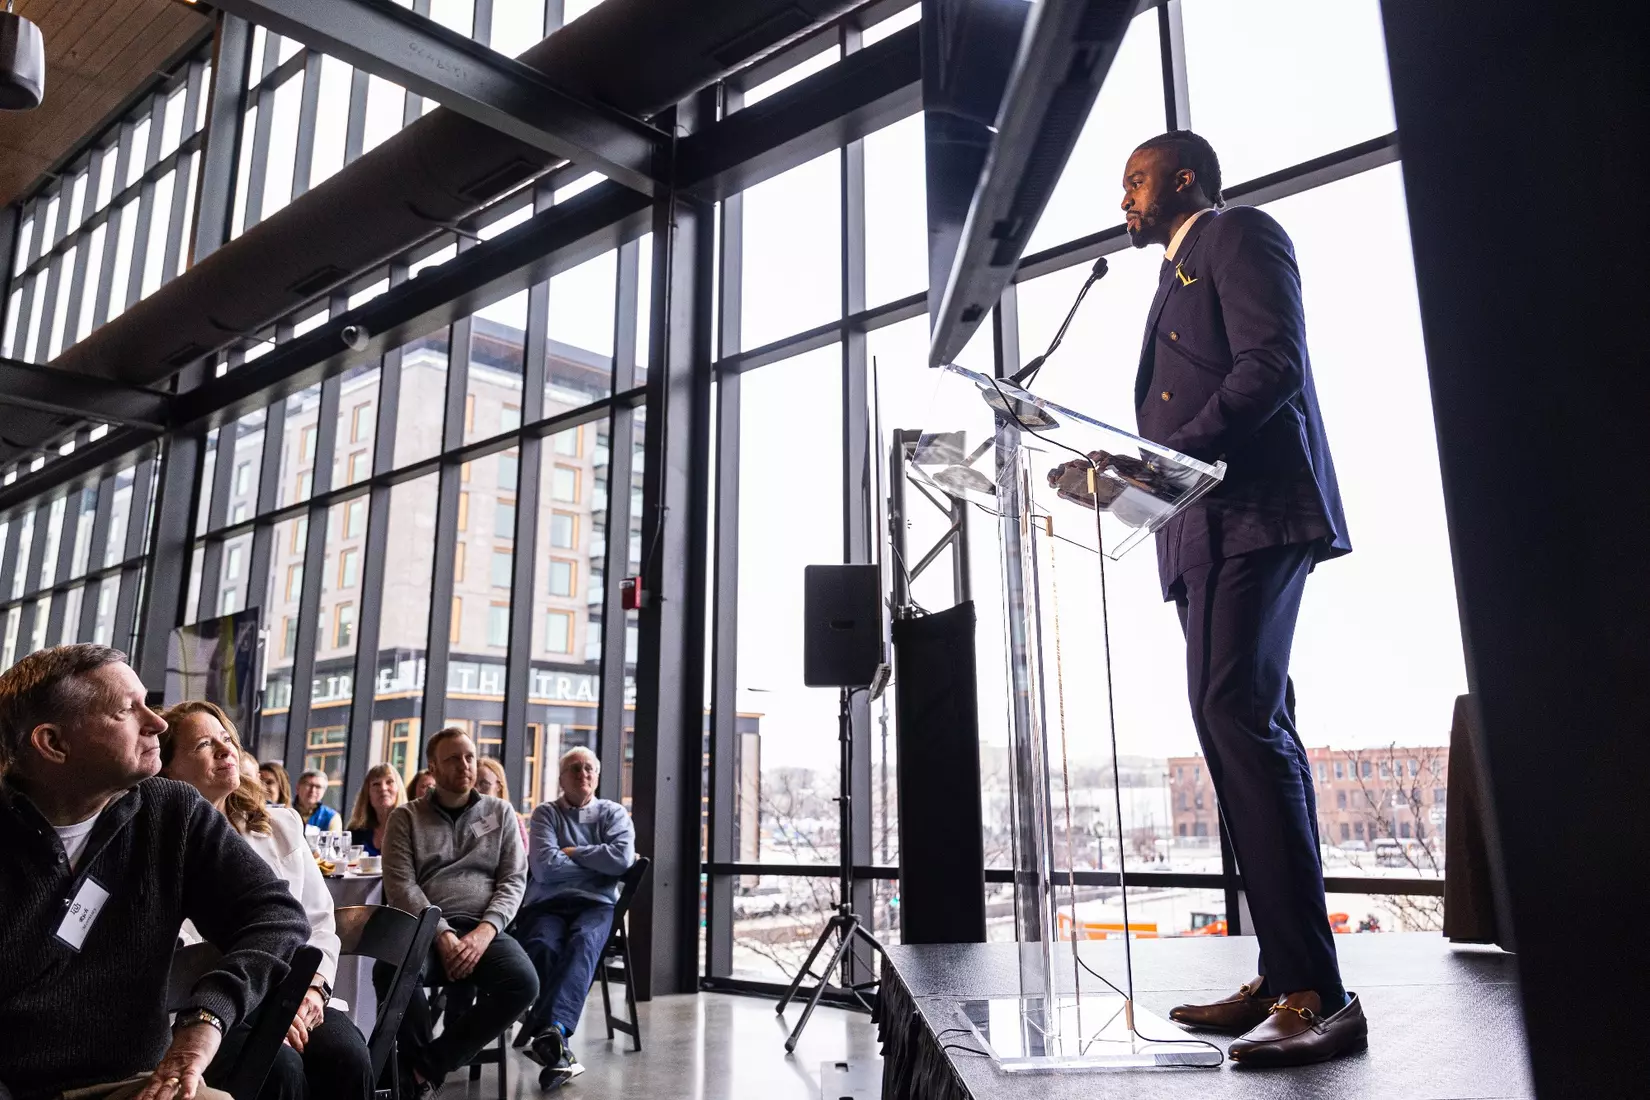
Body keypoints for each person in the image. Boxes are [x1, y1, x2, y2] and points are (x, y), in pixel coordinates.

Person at [1104, 130, 1365, 1065]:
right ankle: (1286, 964)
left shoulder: (1237, 234)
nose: (1123, 198)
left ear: (1183, 180)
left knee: (1237, 718)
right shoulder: (1166, 278)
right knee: (1240, 731)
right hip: (1203, 533)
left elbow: (1271, 367)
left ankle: (1317, 992)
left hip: (1252, 515)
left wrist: (1163, 462)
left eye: (1134, 181)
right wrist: (1126, 480)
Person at [0, 645, 309, 1100]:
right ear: (53, 743)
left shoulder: (171, 810)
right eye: (128, 710)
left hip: (137, 1084)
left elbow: (276, 917)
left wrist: (207, 1018)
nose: (158, 723)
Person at [159, 701, 373, 1100]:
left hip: (296, 987)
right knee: (280, 1069)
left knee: (348, 1056)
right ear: (167, 767)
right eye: (204, 745)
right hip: (209, 1003)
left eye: (227, 740)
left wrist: (312, 988)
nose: (226, 751)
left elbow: (320, 922)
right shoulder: (160, 841)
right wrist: (266, 1002)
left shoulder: (280, 826)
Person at [380, 728, 535, 1098]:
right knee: (390, 970)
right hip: (424, 928)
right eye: (453, 758)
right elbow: (401, 885)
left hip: (484, 928)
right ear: (432, 767)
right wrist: (442, 933)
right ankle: (417, 1075)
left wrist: (485, 932)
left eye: (469, 756)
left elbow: (514, 879)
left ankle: (422, 1070)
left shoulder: (500, 813)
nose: (465, 765)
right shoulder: (406, 818)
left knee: (524, 983)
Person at [516, 746, 634, 1091]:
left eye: (589, 769)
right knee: (540, 945)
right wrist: (595, 863)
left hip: (596, 906)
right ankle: (557, 1047)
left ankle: (551, 1033)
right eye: (575, 769)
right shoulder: (545, 814)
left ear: (596, 776)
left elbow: (622, 860)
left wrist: (571, 853)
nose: (583, 774)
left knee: (583, 942)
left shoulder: (613, 814)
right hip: (547, 905)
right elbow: (544, 868)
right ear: (561, 778)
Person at [346, 763, 405, 857]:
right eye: (376, 784)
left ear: (399, 789)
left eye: (389, 782)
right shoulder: (356, 831)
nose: (383, 788)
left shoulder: (411, 829)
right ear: (367, 794)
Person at [473, 757, 528, 850]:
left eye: (484, 784)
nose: (476, 790)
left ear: (498, 786)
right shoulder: (459, 818)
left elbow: (521, 857)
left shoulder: (510, 819)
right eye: (472, 783)